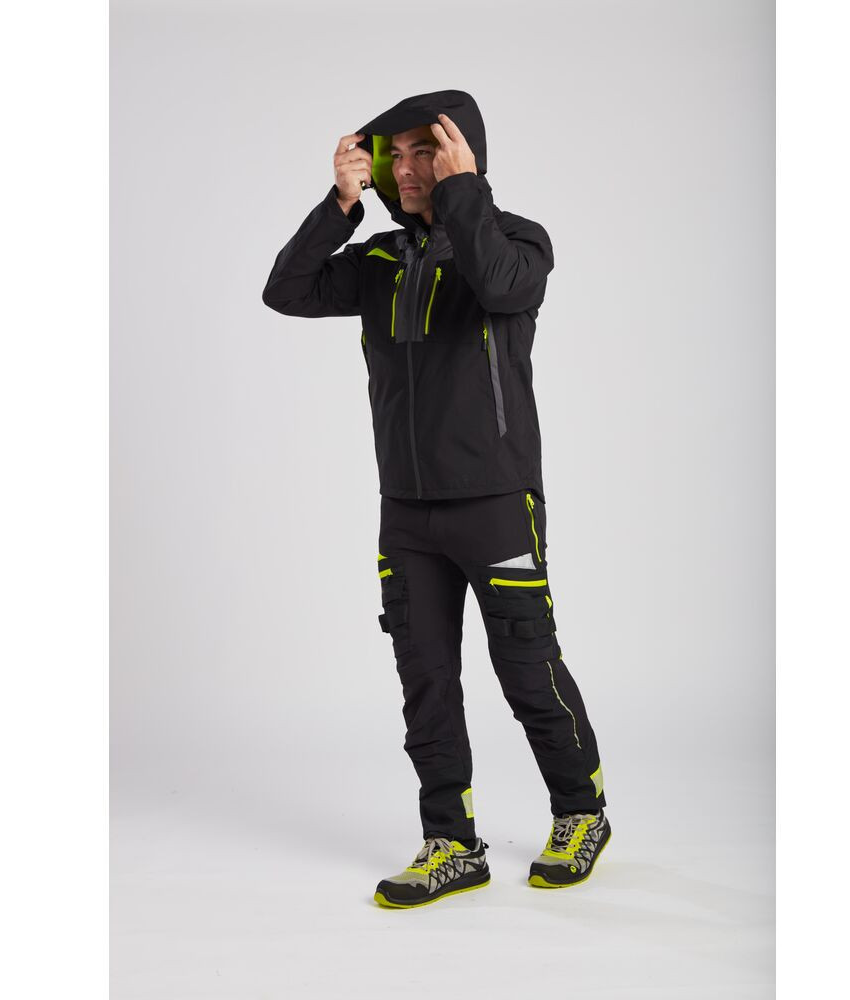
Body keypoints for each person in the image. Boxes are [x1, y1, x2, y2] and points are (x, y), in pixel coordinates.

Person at [262, 90, 611, 908]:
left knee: (527, 668)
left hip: (496, 501)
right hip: (408, 511)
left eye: (429, 150)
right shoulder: (379, 261)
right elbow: (287, 288)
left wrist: (466, 191)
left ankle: (581, 812)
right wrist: (340, 204)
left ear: (462, 154)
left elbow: (501, 286)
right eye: (398, 156)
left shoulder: (516, 241)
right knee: (425, 680)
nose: (411, 169)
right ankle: (451, 843)